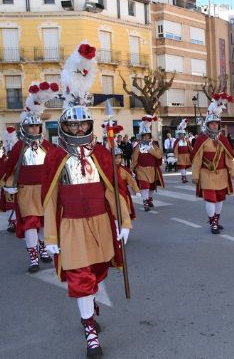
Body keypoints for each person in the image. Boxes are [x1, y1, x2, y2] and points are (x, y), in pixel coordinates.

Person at [41, 42, 132, 357]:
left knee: (97, 271)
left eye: (82, 123)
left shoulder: (102, 153)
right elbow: (49, 199)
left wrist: (125, 221)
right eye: (73, 124)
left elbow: (115, 190)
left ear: (88, 125)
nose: (79, 127)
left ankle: (90, 302)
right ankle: (90, 331)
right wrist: (49, 236)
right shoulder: (55, 157)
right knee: (80, 277)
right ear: (65, 126)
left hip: (100, 225)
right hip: (71, 227)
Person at [1, 81, 59, 272]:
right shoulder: (19, 146)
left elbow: (57, 165)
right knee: (30, 224)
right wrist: (5, 183)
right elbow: (8, 166)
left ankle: (43, 251)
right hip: (26, 191)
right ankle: (33, 258)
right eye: (32, 127)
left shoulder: (48, 145)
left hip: (44, 191)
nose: (35, 130)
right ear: (26, 128)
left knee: (43, 223)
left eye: (37, 127)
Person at [191, 93, 234, 234]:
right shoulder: (201, 139)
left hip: (222, 174)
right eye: (212, 123)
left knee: (220, 199)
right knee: (210, 199)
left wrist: (233, 173)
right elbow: (197, 159)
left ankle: (216, 220)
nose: (214, 125)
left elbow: (228, 158)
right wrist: (195, 176)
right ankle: (213, 223)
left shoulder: (223, 139)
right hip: (207, 174)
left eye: (216, 123)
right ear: (207, 124)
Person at [132, 115, 164, 211]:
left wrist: (151, 151)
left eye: (148, 135)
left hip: (152, 170)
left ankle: (149, 198)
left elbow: (159, 156)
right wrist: (133, 169)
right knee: (145, 186)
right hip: (141, 169)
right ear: (141, 136)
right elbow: (134, 158)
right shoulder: (138, 146)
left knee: (152, 187)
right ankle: (145, 201)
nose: (146, 137)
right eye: (144, 135)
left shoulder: (154, 145)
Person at [0, 127, 18, 233]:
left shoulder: (18, 155)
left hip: (18, 182)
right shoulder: (4, 157)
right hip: (8, 183)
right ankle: (12, 222)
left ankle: (17, 221)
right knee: (10, 204)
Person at [173, 119, 192, 183]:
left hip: (187, 155)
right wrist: (176, 156)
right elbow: (175, 149)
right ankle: (184, 178)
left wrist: (192, 153)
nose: (182, 135)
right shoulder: (177, 141)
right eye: (181, 134)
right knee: (182, 166)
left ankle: (183, 177)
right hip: (180, 156)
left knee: (185, 167)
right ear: (179, 135)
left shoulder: (187, 140)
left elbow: (190, 147)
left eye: (183, 134)